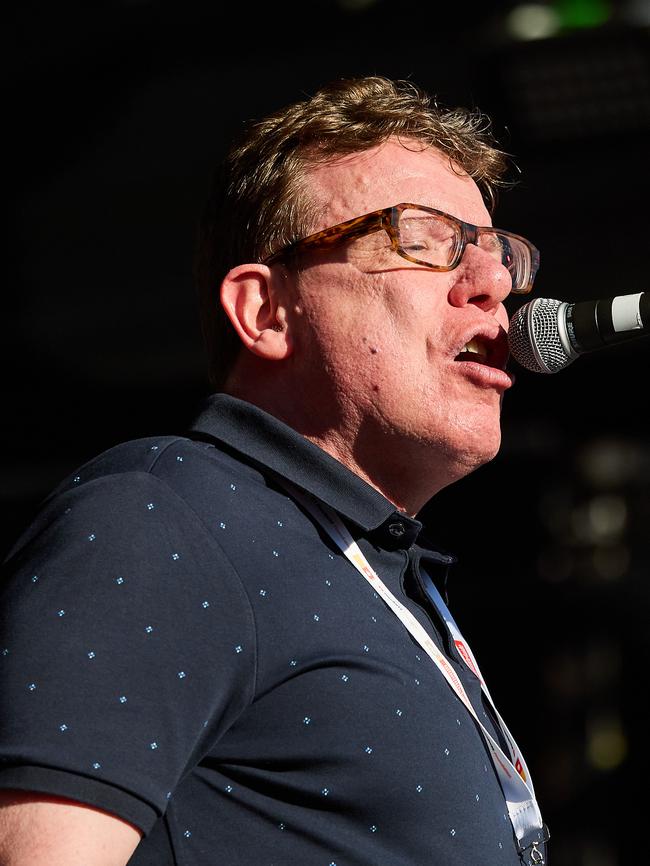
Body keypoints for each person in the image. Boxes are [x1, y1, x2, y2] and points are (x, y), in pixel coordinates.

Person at [0, 75, 549, 865]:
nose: (494, 285)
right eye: (422, 239)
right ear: (265, 311)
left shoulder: (375, 565)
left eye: (497, 253)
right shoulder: (163, 516)